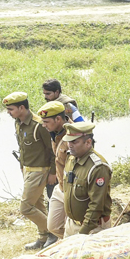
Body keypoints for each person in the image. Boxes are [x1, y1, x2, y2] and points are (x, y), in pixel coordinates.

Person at [4, 92, 54, 250]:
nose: (8, 112)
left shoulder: (39, 125)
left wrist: (52, 172)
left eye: (11, 109)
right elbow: (22, 146)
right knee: (38, 205)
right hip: (27, 169)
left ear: (21, 107)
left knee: (26, 208)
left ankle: (56, 232)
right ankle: (43, 238)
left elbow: (52, 150)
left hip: (40, 170)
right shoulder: (18, 123)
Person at [61, 121, 112, 235]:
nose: (70, 145)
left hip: (92, 228)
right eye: (69, 141)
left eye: (74, 141)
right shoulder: (71, 159)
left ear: (88, 142)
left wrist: (83, 232)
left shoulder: (98, 167)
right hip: (72, 224)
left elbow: (96, 205)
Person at [39, 101, 73, 242]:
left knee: (75, 228)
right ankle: (67, 241)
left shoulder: (74, 137)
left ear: (58, 119)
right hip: (60, 187)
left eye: (46, 121)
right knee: (52, 226)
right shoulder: (55, 133)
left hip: (72, 189)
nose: (44, 125)